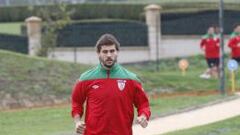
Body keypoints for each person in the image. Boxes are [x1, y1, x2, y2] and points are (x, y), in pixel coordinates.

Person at [71, 33, 151, 135]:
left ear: (117, 52)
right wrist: (77, 121)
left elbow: (143, 104)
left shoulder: (131, 79)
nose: (109, 55)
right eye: (105, 52)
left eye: (112, 51)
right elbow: (76, 102)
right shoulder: (85, 79)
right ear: (98, 53)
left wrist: (144, 115)